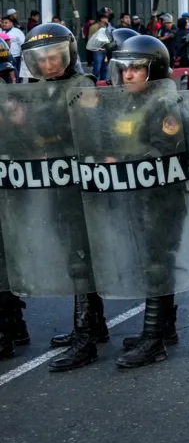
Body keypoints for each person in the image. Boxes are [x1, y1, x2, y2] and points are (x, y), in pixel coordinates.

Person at [15, 23, 109, 372]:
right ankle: (95, 327)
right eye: (42, 57)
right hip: (57, 188)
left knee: (80, 262)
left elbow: (88, 132)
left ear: (68, 55)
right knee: (76, 257)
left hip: (81, 188)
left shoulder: (82, 87)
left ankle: (84, 340)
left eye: (55, 56)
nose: (49, 62)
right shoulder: (37, 90)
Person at [96, 35, 189, 369]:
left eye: (136, 68)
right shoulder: (125, 103)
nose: (128, 75)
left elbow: (166, 150)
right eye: (124, 69)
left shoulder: (164, 105)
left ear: (155, 69)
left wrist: (125, 161)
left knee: (155, 265)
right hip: (137, 196)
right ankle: (165, 328)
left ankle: (154, 341)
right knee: (150, 262)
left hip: (161, 199)